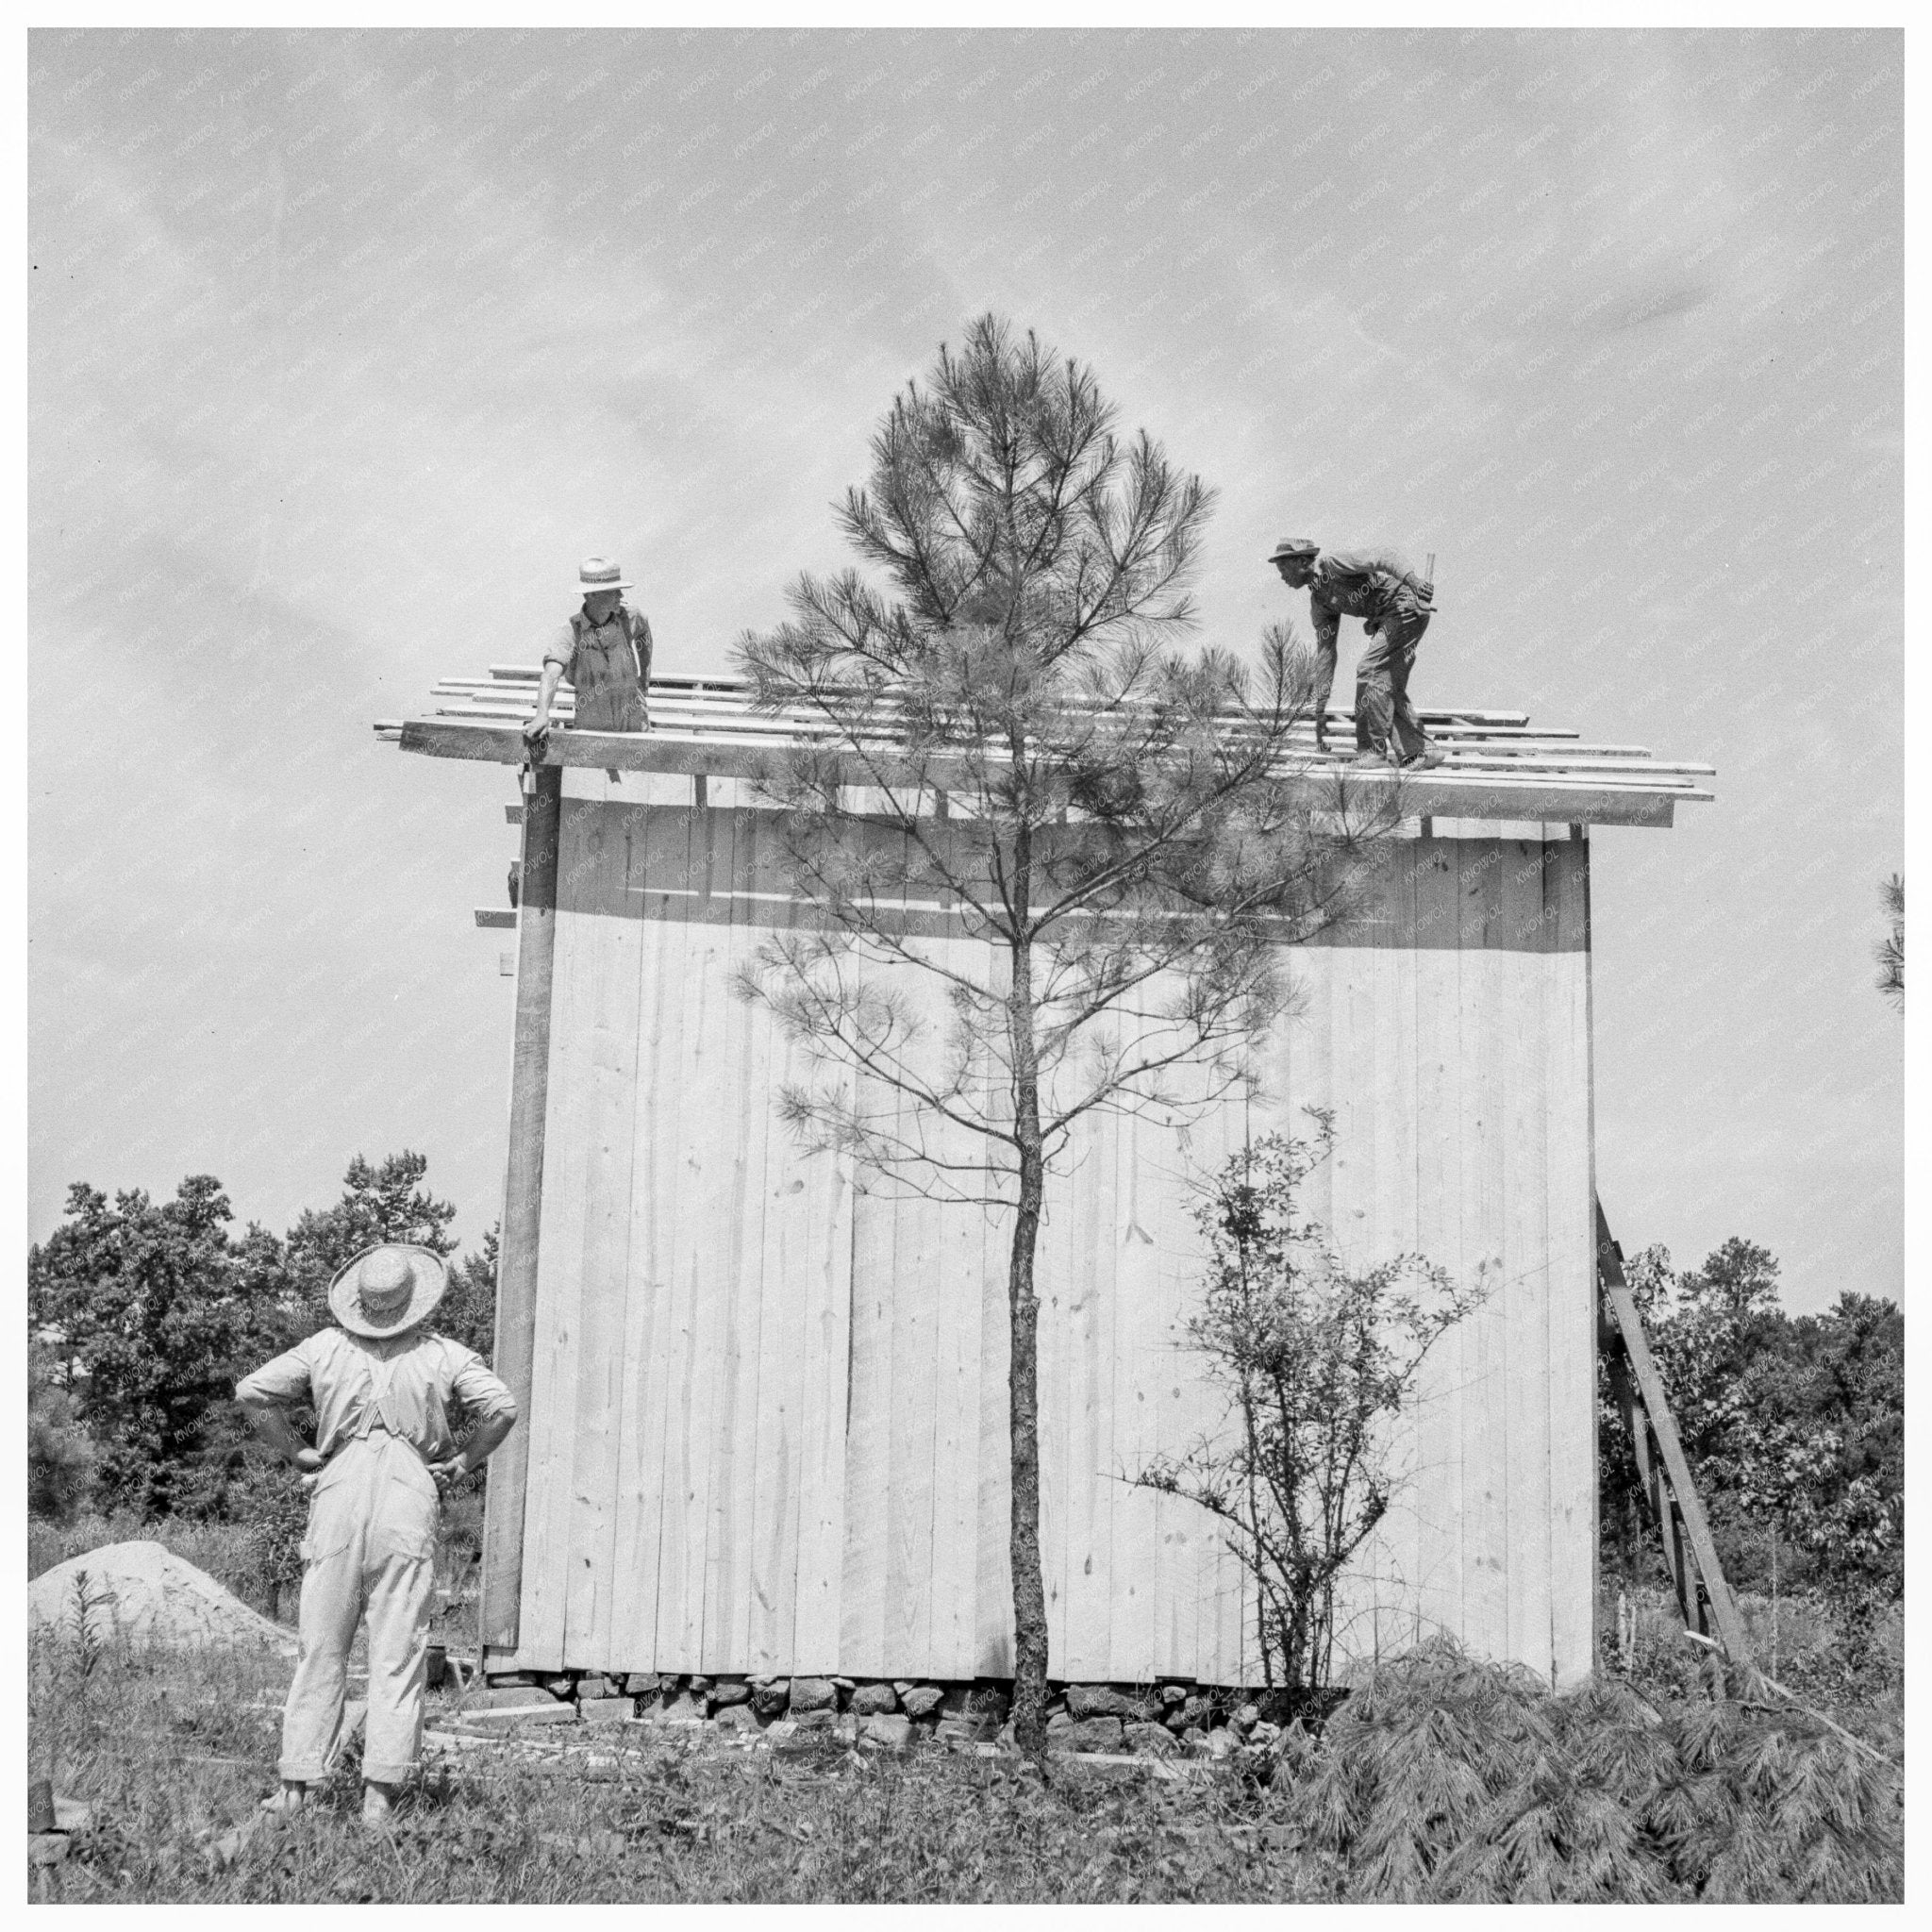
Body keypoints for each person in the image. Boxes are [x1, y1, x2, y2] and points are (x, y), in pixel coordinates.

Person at [236, 1245, 518, 1828]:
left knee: (322, 1643)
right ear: (415, 1302)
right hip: (409, 1490)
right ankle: (379, 1798)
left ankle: (295, 1789)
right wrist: (464, 1461)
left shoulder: (324, 1347)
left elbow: (251, 1391)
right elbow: (503, 1408)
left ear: (359, 1305)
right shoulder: (444, 1355)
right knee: (397, 1649)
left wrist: (296, 1451)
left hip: (337, 1486)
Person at [1268, 539, 1445, 769]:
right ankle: (1422, 751)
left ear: (1303, 561)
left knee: (1370, 671)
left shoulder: (1332, 564)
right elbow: (1325, 655)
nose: (1282, 577)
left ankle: (1372, 752)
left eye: (1284, 569)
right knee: (1385, 685)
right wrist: (1320, 708)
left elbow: (1384, 554)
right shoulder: (1320, 604)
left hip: (1405, 607)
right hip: (1389, 619)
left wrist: (1413, 582)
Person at [523, 556, 654, 746]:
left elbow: (644, 632)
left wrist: (645, 674)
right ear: (592, 595)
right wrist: (542, 714)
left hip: (633, 718)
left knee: (640, 770)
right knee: (594, 770)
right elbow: (551, 674)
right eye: (614, 591)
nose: (621, 596)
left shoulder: (630, 616)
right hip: (593, 721)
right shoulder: (571, 631)